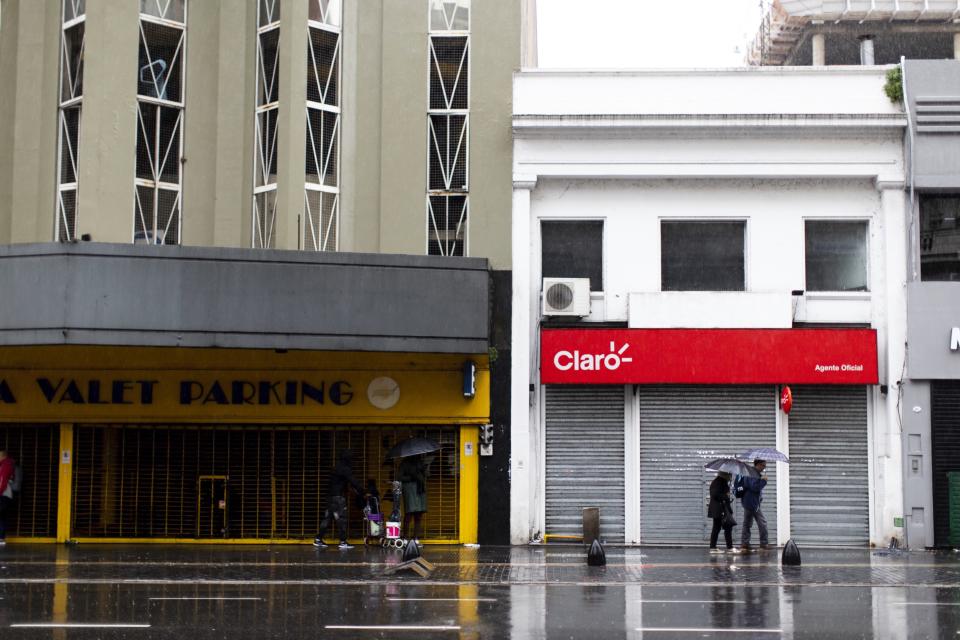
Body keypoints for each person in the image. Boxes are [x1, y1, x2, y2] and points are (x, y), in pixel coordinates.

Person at [313, 450, 365, 549]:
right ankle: (343, 541)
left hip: (330, 497)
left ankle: (318, 539)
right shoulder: (345, 469)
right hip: (338, 498)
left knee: (327, 518)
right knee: (341, 519)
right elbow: (353, 481)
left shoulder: (336, 467)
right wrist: (362, 491)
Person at [398, 454, 430, 541]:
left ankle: (415, 538)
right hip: (409, 491)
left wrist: (424, 469)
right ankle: (405, 537)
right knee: (409, 514)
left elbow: (426, 475)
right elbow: (399, 477)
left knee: (418, 515)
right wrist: (412, 477)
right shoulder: (405, 463)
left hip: (420, 490)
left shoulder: (420, 463)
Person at [740, 459, 770, 552]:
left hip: (748, 501)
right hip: (752, 503)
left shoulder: (752, 473)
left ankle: (745, 544)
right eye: (763, 465)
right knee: (762, 523)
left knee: (747, 523)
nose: (764, 467)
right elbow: (754, 487)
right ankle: (764, 544)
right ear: (758, 465)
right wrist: (764, 481)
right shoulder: (752, 473)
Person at [707, 471, 740, 554]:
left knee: (717, 528)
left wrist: (727, 496)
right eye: (730, 474)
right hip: (720, 509)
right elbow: (715, 494)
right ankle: (729, 547)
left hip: (721, 508)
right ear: (725, 474)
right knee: (727, 527)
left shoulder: (722, 481)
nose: (731, 476)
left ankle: (713, 547)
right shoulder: (718, 482)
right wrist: (726, 495)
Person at [0, 450, 15, 547]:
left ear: (3, 456)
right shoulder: (8, 464)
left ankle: (1, 538)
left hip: (3, 494)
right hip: (6, 494)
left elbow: (3, 481)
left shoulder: (6, 465)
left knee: (1, 516)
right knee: (2, 516)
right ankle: (1, 538)